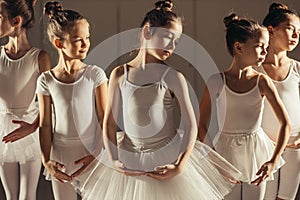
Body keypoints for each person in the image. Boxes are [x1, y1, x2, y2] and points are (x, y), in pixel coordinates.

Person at [71, 1, 242, 200]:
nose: (172, 46)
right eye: (168, 37)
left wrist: (179, 166)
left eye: (177, 42)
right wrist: (114, 160)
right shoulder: (120, 74)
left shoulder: (172, 77)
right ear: (147, 32)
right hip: (130, 156)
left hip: (165, 158)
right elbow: (109, 123)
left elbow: (190, 124)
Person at [198, 13, 291, 200]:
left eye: (266, 47)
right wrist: (217, 162)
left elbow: (285, 124)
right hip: (225, 152)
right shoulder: (217, 81)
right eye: (259, 47)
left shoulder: (262, 81)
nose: (265, 52)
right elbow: (201, 125)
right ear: (239, 47)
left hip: (256, 152)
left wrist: (273, 161)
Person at [36, 1, 108, 200]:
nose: (86, 44)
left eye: (87, 38)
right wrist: (46, 160)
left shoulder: (95, 74)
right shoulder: (46, 80)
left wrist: (96, 153)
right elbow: (45, 123)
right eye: (78, 40)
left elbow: (104, 118)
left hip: (92, 152)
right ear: (59, 43)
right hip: (61, 156)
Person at [0, 0, 51, 199]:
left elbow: (51, 102)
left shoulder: (39, 57)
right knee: (10, 196)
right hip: (3, 130)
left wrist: (33, 126)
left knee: (27, 196)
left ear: (16, 21)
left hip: (30, 130)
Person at [255, 3, 300, 200]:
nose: (296, 36)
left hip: (295, 147)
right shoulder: (254, 71)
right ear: (271, 31)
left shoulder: (297, 69)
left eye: (299, 31)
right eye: (290, 29)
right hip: (264, 149)